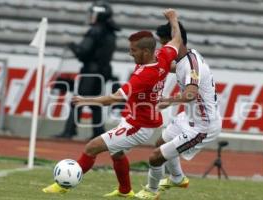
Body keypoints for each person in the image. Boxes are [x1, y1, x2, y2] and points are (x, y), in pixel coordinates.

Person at [42, 8, 182, 198]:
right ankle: (125, 191)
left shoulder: (144, 76)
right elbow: (176, 40)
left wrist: (85, 100)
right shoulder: (163, 56)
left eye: (133, 50)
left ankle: (64, 185)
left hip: (138, 126)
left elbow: (114, 98)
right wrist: (174, 20)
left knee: (91, 147)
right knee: (116, 154)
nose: (130, 53)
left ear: (146, 51)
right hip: (138, 120)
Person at [135, 21, 222, 199]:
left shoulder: (191, 65)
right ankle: (177, 178)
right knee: (160, 143)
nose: (161, 47)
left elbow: (190, 94)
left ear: (173, 41)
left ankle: (151, 192)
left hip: (202, 127)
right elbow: (171, 67)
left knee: (155, 157)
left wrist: (168, 101)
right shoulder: (186, 58)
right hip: (189, 117)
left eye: (163, 43)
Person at [55, 0, 120, 139]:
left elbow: (83, 51)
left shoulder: (95, 30)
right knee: (95, 103)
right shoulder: (111, 33)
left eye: (93, 13)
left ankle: (69, 131)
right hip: (103, 72)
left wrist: (70, 44)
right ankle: (98, 133)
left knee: (78, 101)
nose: (91, 16)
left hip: (91, 72)